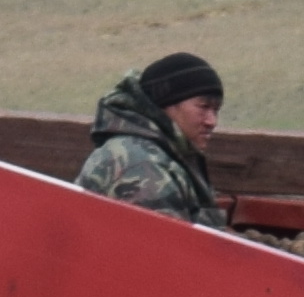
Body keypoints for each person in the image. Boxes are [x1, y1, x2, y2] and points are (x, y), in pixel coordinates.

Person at [79, 52, 232, 226]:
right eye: (203, 107)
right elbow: (165, 247)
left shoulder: (163, 155)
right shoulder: (142, 166)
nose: (212, 121)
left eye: (216, 110)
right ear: (166, 105)